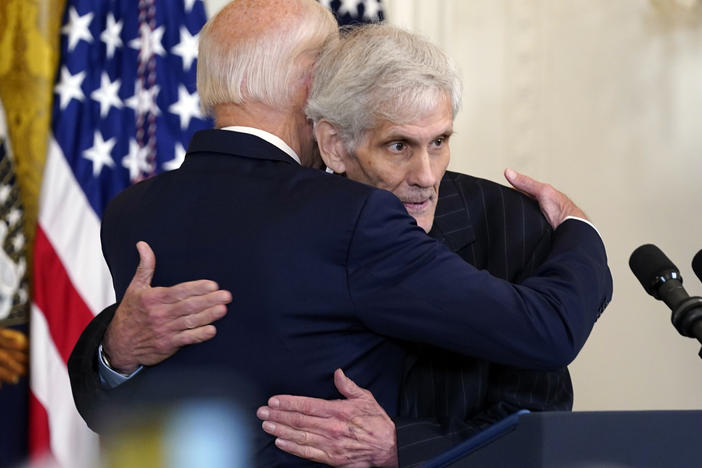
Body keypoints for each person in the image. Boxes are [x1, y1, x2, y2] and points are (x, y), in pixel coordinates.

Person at [68, 2, 612, 467]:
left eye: (440, 142)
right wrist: (579, 229)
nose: (425, 173)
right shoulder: (348, 214)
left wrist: (113, 354)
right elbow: (547, 329)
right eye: (400, 144)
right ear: (314, 86)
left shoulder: (130, 211)